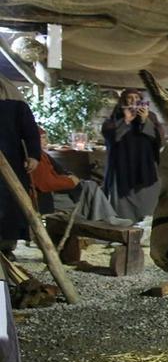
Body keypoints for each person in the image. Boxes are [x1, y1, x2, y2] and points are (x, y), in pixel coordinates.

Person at [30, 129, 126, 224]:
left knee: (90, 185)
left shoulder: (43, 154)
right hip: (50, 196)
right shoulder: (34, 159)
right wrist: (70, 181)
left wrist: (70, 176)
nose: (46, 141)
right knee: (88, 194)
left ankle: (107, 218)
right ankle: (103, 222)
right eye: (42, 138)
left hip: (60, 187)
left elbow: (59, 171)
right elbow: (47, 183)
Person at [101, 88, 163, 222]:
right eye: (130, 97)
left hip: (145, 167)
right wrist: (126, 121)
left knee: (147, 205)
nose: (134, 100)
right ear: (124, 100)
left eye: (136, 97)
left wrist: (144, 121)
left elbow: (158, 139)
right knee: (122, 207)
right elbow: (110, 138)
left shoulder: (150, 116)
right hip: (122, 167)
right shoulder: (115, 116)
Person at [0, 79, 39, 255]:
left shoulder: (12, 98)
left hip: (9, 161)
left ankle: (6, 247)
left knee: (9, 204)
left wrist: (33, 155)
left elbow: (29, 129)